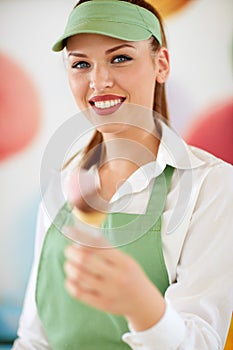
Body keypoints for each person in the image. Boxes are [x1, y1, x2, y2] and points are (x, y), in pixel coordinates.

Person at [13, 0, 233, 349]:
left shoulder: (211, 185)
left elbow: (203, 342)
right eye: (81, 64)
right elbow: (34, 339)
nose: (99, 81)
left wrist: (143, 307)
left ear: (161, 64)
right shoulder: (61, 186)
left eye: (120, 58)